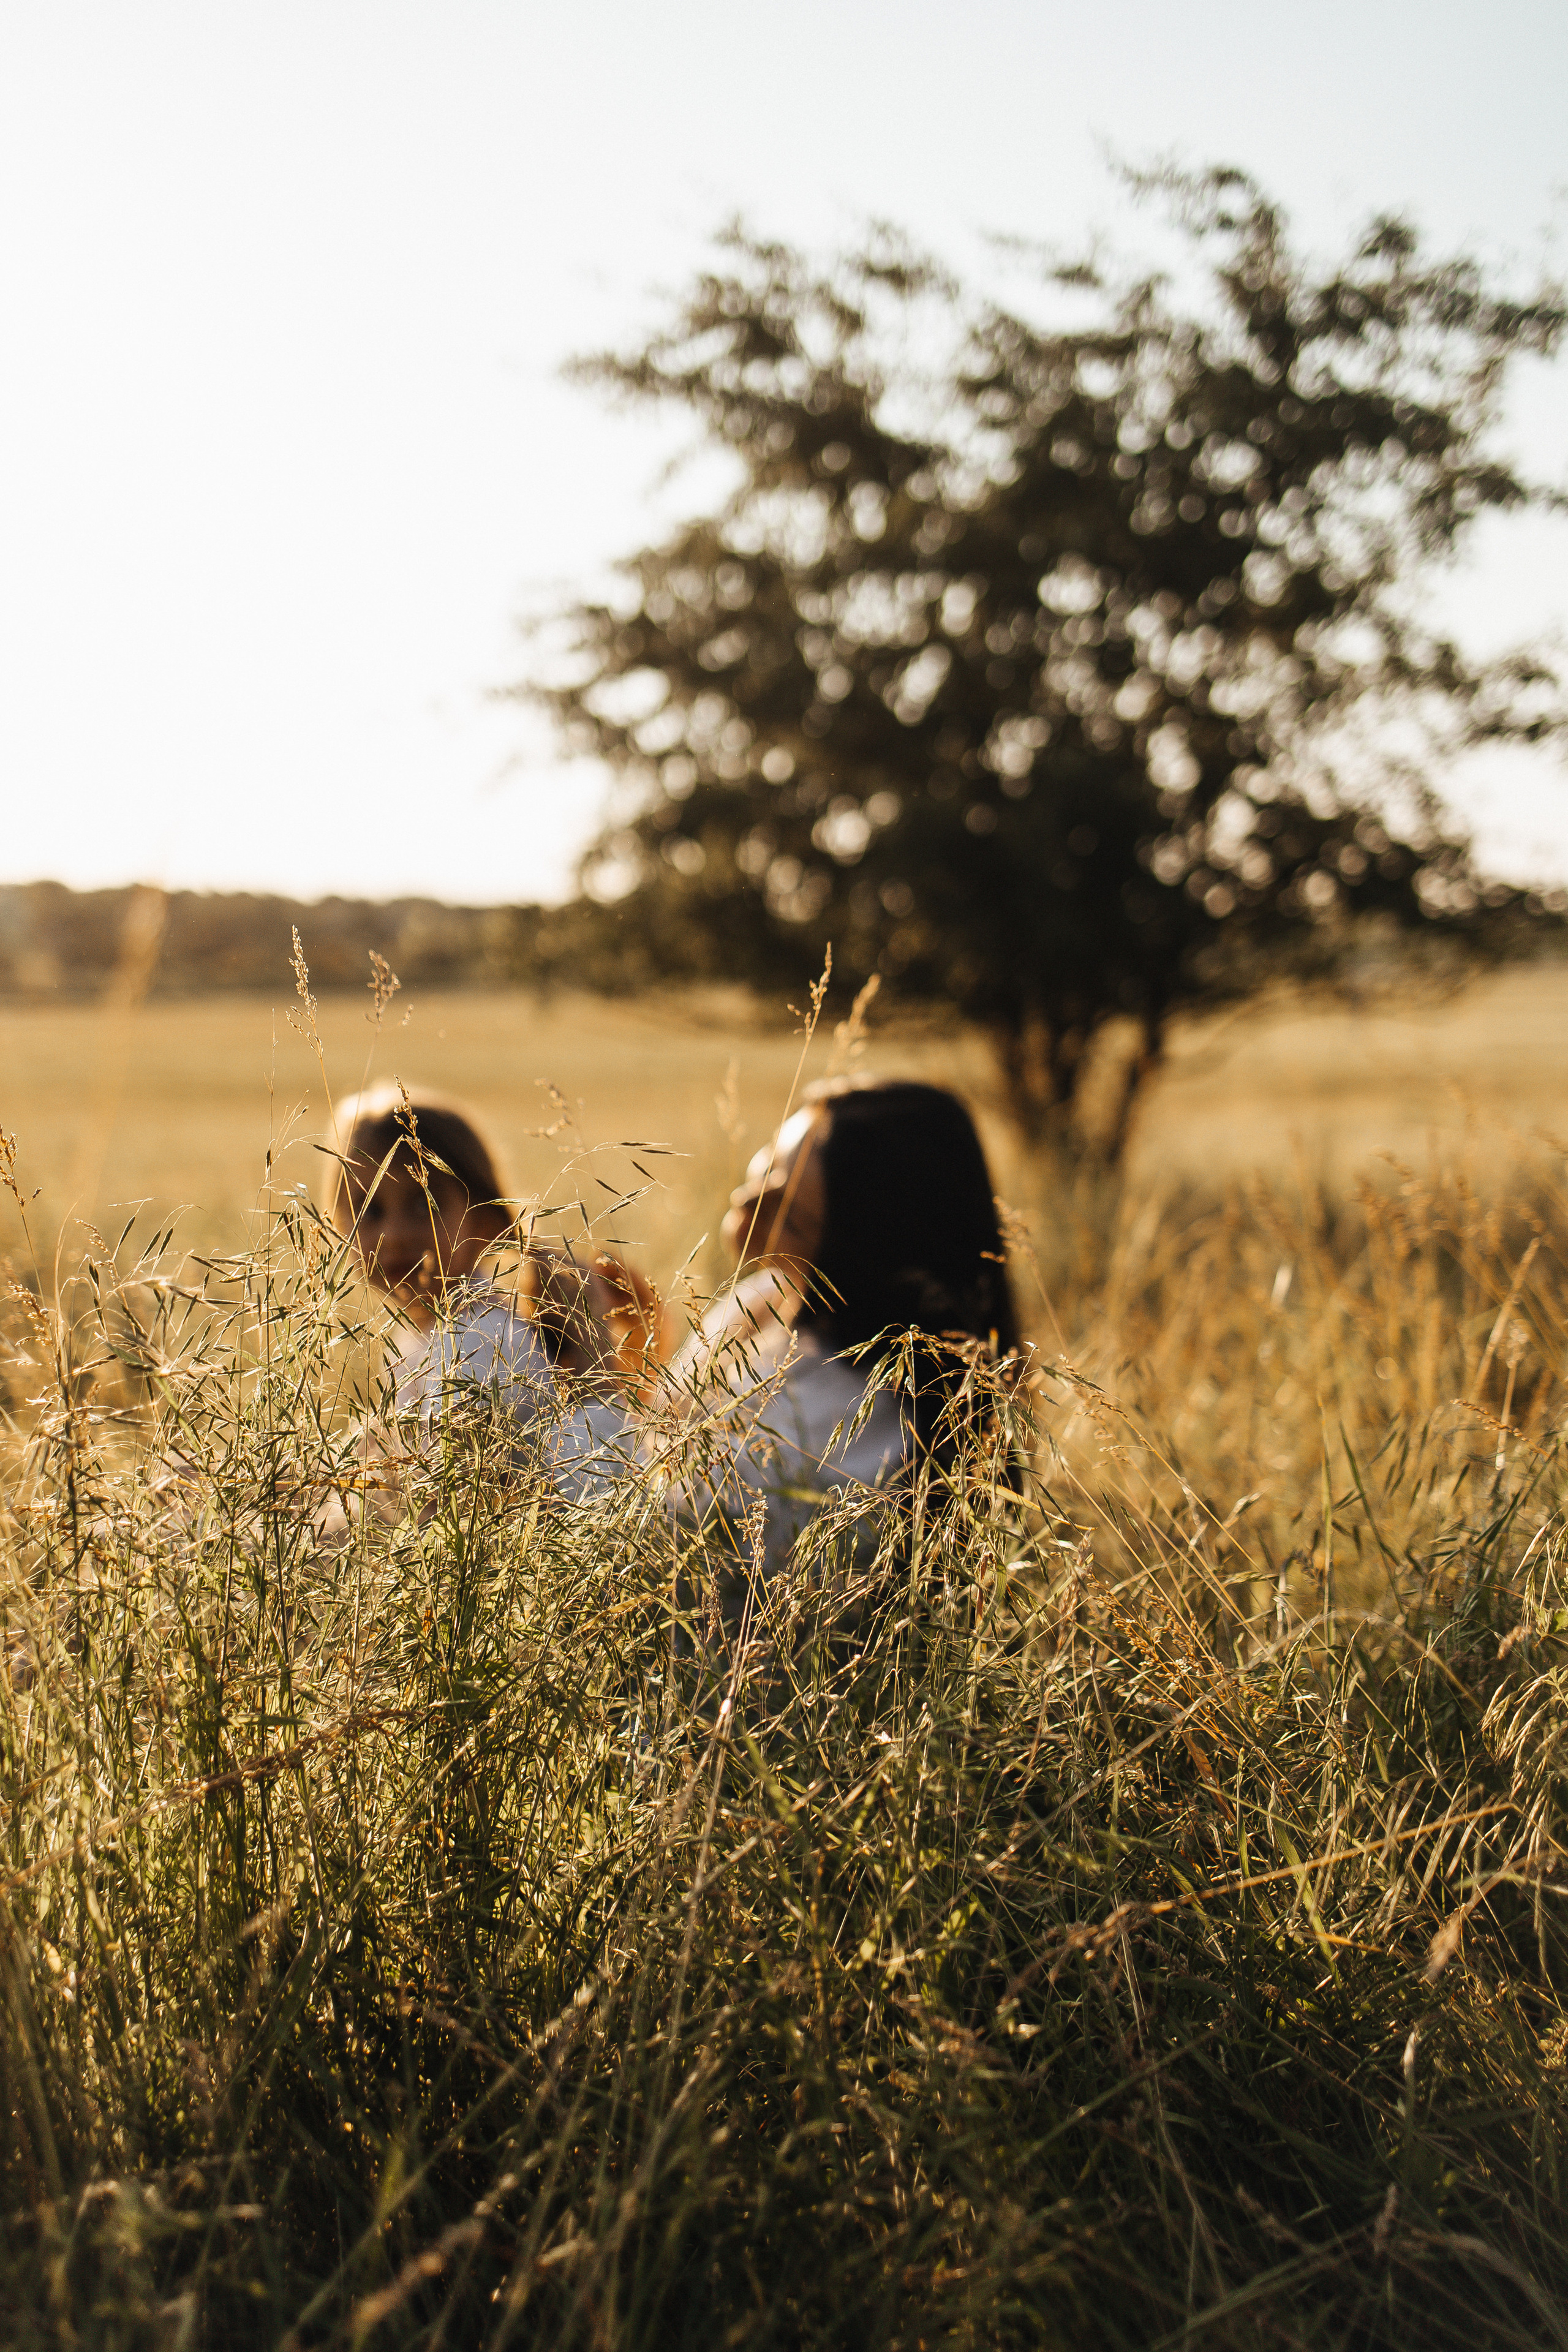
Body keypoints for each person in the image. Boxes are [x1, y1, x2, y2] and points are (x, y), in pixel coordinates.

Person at [663, 1077, 1020, 1588]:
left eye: (790, 1215)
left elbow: (668, 1522)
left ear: (863, 1254)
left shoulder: (860, 1422)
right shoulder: (769, 1296)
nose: (742, 1206)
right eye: (767, 1164)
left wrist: (594, 1370)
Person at [322, 1084, 635, 1487]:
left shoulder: (479, 1342)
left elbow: (451, 1504)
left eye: (424, 1205)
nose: (394, 1234)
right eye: (369, 1210)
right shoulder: (423, 1337)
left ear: (485, 1221)